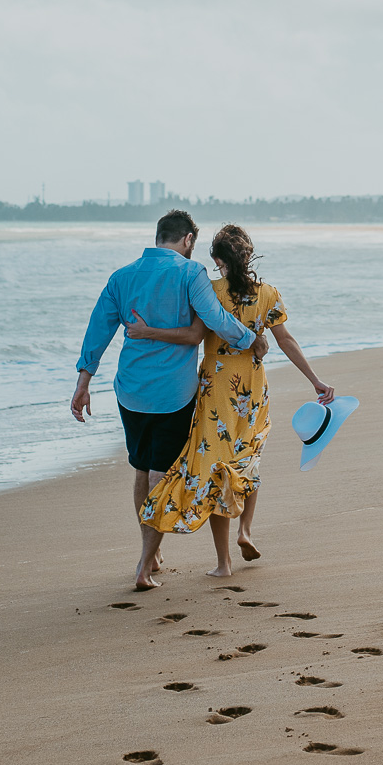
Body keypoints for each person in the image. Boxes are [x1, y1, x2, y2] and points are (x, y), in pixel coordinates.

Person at [71, 209, 263, 590]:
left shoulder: (122, 276)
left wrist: (83, 381)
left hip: (130, 391)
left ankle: (153, 553)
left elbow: (98, 331)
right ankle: (144, 564)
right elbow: (214, 318)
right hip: (173, 394)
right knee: (162, 469)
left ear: (159, 235)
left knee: (142, 468)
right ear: (188, 240)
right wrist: (249, 339)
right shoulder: (190, 273)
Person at [128, 224, 334, 577]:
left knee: (217, 469)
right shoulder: (268, 293)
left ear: (217, 259)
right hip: (252, 391)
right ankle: (246, 530)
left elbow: (193, 335)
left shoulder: (209, 292)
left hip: (216, 391)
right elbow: (286, 341)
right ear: (248, 256)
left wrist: (147, 333)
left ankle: (223, 564)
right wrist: (315, 380)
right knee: (247, 461)